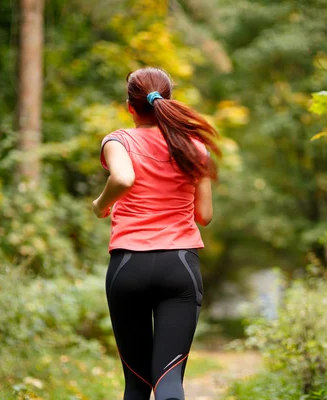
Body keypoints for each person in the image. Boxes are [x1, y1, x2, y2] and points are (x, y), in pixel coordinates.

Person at [92, 67, 220, 400]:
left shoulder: (118, 140)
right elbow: (204, 216)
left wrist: (100, 204)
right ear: (168, 101)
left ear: (130, 106)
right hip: (178, 266)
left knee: (136, 384)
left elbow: (122, 179)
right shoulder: (194, 147)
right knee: (168, 380)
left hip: (127, 266)